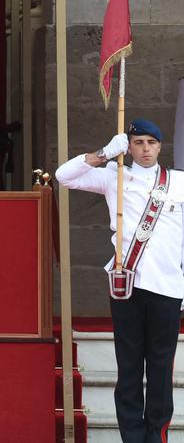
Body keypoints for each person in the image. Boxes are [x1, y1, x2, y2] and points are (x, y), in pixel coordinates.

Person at [56, 120, 184, 443]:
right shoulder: (115, 177)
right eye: (138, 142)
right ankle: (132, 437)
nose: (145, 149)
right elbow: (63, 176)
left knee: (160, 370)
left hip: (167, 286)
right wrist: (104, 153)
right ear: (129, 146)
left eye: (150, 142)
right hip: (127, 286)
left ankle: (157, 436)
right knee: (129, 368)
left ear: (160, 146)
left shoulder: (178, 182)